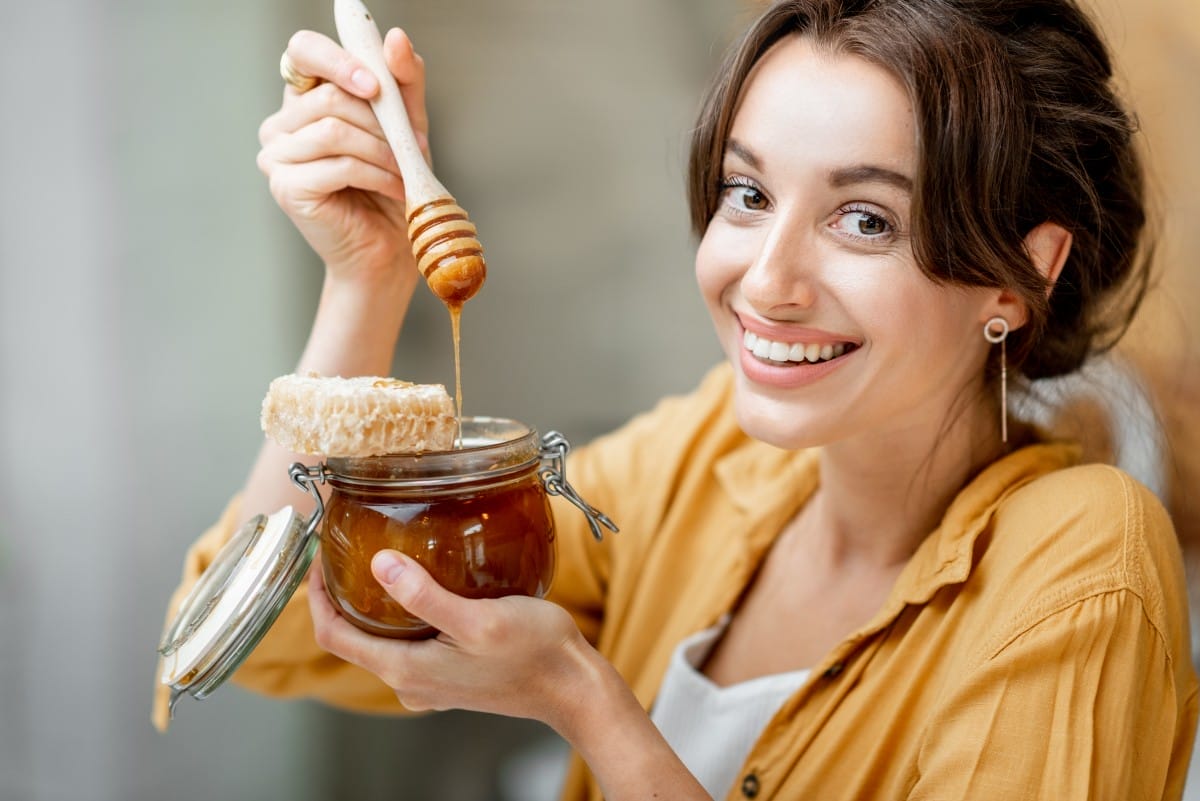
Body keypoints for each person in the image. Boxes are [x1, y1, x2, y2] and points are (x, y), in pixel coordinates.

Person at [156, 0, 1199, 798]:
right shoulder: (704, 462)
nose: (766, 279)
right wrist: (368, 280)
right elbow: (258, 627)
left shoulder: (1084, 562)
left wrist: (587, 705)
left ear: (1022, 273)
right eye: (748, 195)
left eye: (866, 220)